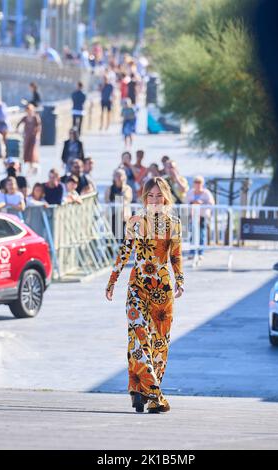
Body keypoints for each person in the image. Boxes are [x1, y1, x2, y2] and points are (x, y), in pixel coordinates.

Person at [105, 177, 184, 414]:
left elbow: (176, 257)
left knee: (159, 346)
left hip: (163, 292)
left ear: (166, 198)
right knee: (138, 339)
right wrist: (112, 280)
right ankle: (154, 395)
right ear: (144, 197)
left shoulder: (174, 223)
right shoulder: (135, 222)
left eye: (159, 196)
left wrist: (180, 280)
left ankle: (140, 392)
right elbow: (124, 252)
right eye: (151, 195)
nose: (155, 200)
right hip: (137, 288)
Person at [186, 175, 215, 260]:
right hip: (193, 216)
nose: (197, 184)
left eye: (199, 182)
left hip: (202, 216)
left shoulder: (206, 193)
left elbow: (211, 204)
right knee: (193, 234)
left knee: (202, 234)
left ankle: (200, 252)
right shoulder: (190, 192)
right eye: (196, 182)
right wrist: (193, 202)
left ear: (202, 183)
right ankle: (192, 252)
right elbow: (186, 202)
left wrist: (201, 203)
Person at [105, 168, 133, 238]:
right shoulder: (109, 188)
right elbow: (107, 200)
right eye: (116, 175)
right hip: (112, 216)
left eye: (120, 175)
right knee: (113, 237)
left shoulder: (127, 188)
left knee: (124, 237)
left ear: (124, 177)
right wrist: (117, 203)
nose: (118, 177)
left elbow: (126, 199)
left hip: (123, 217)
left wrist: (116, 202)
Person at [16, 104, 42, 175]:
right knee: (26, 151)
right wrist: (17, 130)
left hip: (33, 137)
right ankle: (29, 166)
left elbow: (39, 126)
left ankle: (33, 165)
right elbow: (19, 123)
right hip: (27, 136)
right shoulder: (25, 117)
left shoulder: (35, 117)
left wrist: (37, 134)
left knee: (32, 151)